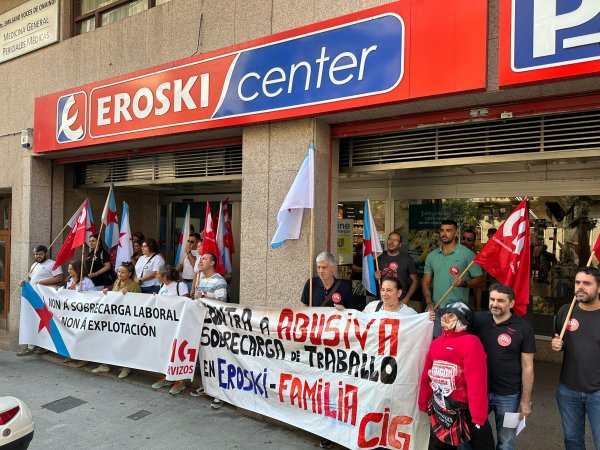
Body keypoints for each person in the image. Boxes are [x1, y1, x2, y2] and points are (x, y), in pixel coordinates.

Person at [419, 302, 493, 450]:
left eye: (451, 316)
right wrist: (423, 401)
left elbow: (477, 382)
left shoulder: (471, 343)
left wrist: (478, 415)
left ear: (463, 321)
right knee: (443, 444)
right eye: (444, 315)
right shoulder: (436, 343)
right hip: (442, 405)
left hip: (465, 408)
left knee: (483, 444)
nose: (446, 320)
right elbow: (426, 376)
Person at [473, 284, 535, 450]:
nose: (495, 304)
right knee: (468, 437)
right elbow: (454, 328)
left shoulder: (524, 328)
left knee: (506, 442)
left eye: (500, 301)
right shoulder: (478, 320)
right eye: (492, 299)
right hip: (479, 392)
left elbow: (528, 367)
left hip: (509, 396)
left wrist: (525, 401)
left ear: (511, 303)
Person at [300, 251, 352, 449]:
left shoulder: (344, 287)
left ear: (332, 267)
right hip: (314, 343)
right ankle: (316, 424)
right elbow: (303, 308)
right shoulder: (311, 284)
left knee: (331, 386)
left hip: (335, 347)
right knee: (314, 383)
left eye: (324, 267)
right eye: (318, 268)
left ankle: (329, 429)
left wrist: (343, 311)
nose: (320, 271)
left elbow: (353, 315)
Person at [551, 266, 600, 450]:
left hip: (598, 391)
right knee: (572, 441)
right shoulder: (566, 311)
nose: (580, 287)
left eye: (587, 283)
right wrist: (558, 344)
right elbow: (559, 338)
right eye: (577, 282)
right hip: (568, 390)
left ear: (599, 288)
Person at [423, 220, 484, 337]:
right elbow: (425, 282)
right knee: (437, 341)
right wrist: (429, 302)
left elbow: (480, 280)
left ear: (456, 233)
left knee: (455, 343)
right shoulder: (431, 256)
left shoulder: (467, 254)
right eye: (442, 230)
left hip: (457, 310)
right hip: (437, 308)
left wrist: (464, 283)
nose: (444, 233)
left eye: (448, 231)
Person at [190, 252, 228, 405]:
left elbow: (222, 303)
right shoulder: (202, 279)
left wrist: (203, 297)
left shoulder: (219, 280)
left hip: (214, 326)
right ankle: (206, 386)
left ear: (212, 263)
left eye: (204, 258)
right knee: (204, 358)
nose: (200, 260)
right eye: (200, 258)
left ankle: (219, 392)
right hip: (202, 324)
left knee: (216, 358)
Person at [94, 262, 141, 378]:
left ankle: (126, 367)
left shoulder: (134, 285)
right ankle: (104, 364)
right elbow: (113, 296)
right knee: (107, 340)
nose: (120, 274)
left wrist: (128, 296)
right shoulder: (116, 282)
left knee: (124, 343)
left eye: (123, 272)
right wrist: (107, 292)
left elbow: (139, 303)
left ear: (129, 274)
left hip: (126, 320)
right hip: (113, 318)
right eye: (119, 271)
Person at [16, 245, 64, 357]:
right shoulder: (34, 265)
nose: (38, 256)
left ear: (45, 253)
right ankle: (31, 346)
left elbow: (60, 278)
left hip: (46, 299)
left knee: (45, 322)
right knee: (33, 321)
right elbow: (32, 280)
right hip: (34, 298)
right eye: (36, 254)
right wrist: (25, 283)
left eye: (40, 254)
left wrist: (42, 282)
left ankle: (42, 346)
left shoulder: (53, 264)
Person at [151, 265, 190, 395]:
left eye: (158, 274)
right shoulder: (162, 286)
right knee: (166, 351)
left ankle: (180, 381)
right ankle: (167, 376)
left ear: (165, 276)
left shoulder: (180, 286)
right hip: (165, 326)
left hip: (178, 326)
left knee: (177, 351)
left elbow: (186, 303)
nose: (156, 276)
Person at [375, 232, 419, 304]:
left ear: (400, 244)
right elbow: (371, 279)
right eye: (390, 239)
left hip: (400, 302)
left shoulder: (407, 259)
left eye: (395, 240)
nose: (391, 242)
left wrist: (406, 298)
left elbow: (416, 281)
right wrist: (375, 277)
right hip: (382, 301)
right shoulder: (379, 259)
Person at [460, 229, 483, 311]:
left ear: (474, 242)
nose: (465, 241)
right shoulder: (454, 252)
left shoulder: (475, 257)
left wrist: (478, 307)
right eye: (463, 238)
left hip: (467, 297)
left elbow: (478, 284)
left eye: (469, 240)